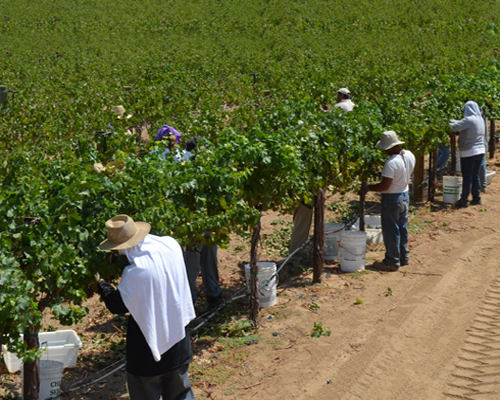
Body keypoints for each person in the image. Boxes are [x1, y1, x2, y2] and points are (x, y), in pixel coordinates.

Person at [97, 214, 196, 400]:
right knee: (181, 394)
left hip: (148, 351)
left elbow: (117, 305)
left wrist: (101, 283)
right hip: (179, 340)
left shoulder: (136, 272)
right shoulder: (171, 245)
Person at [359, 131, 415, 272]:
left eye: (385, 149)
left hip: (392, 199)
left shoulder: (390, 163)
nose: (384, 152)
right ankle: (403, 257)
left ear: (390, 147)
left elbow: (385, 186)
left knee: (391, 230)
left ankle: (391, 261)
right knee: (402, 228)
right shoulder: (409, 155)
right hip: (405, 195)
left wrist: (368, 188)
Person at [449, 100, 485, 207]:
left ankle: (464, 200)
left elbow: (454, 127)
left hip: (469, 152)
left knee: (467, 176)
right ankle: (477, 197)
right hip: (480, 152)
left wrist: (444, 123)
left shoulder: (469, 120)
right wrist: (451, 120)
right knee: (475, 175)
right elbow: (459, 122)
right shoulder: (480, 119)